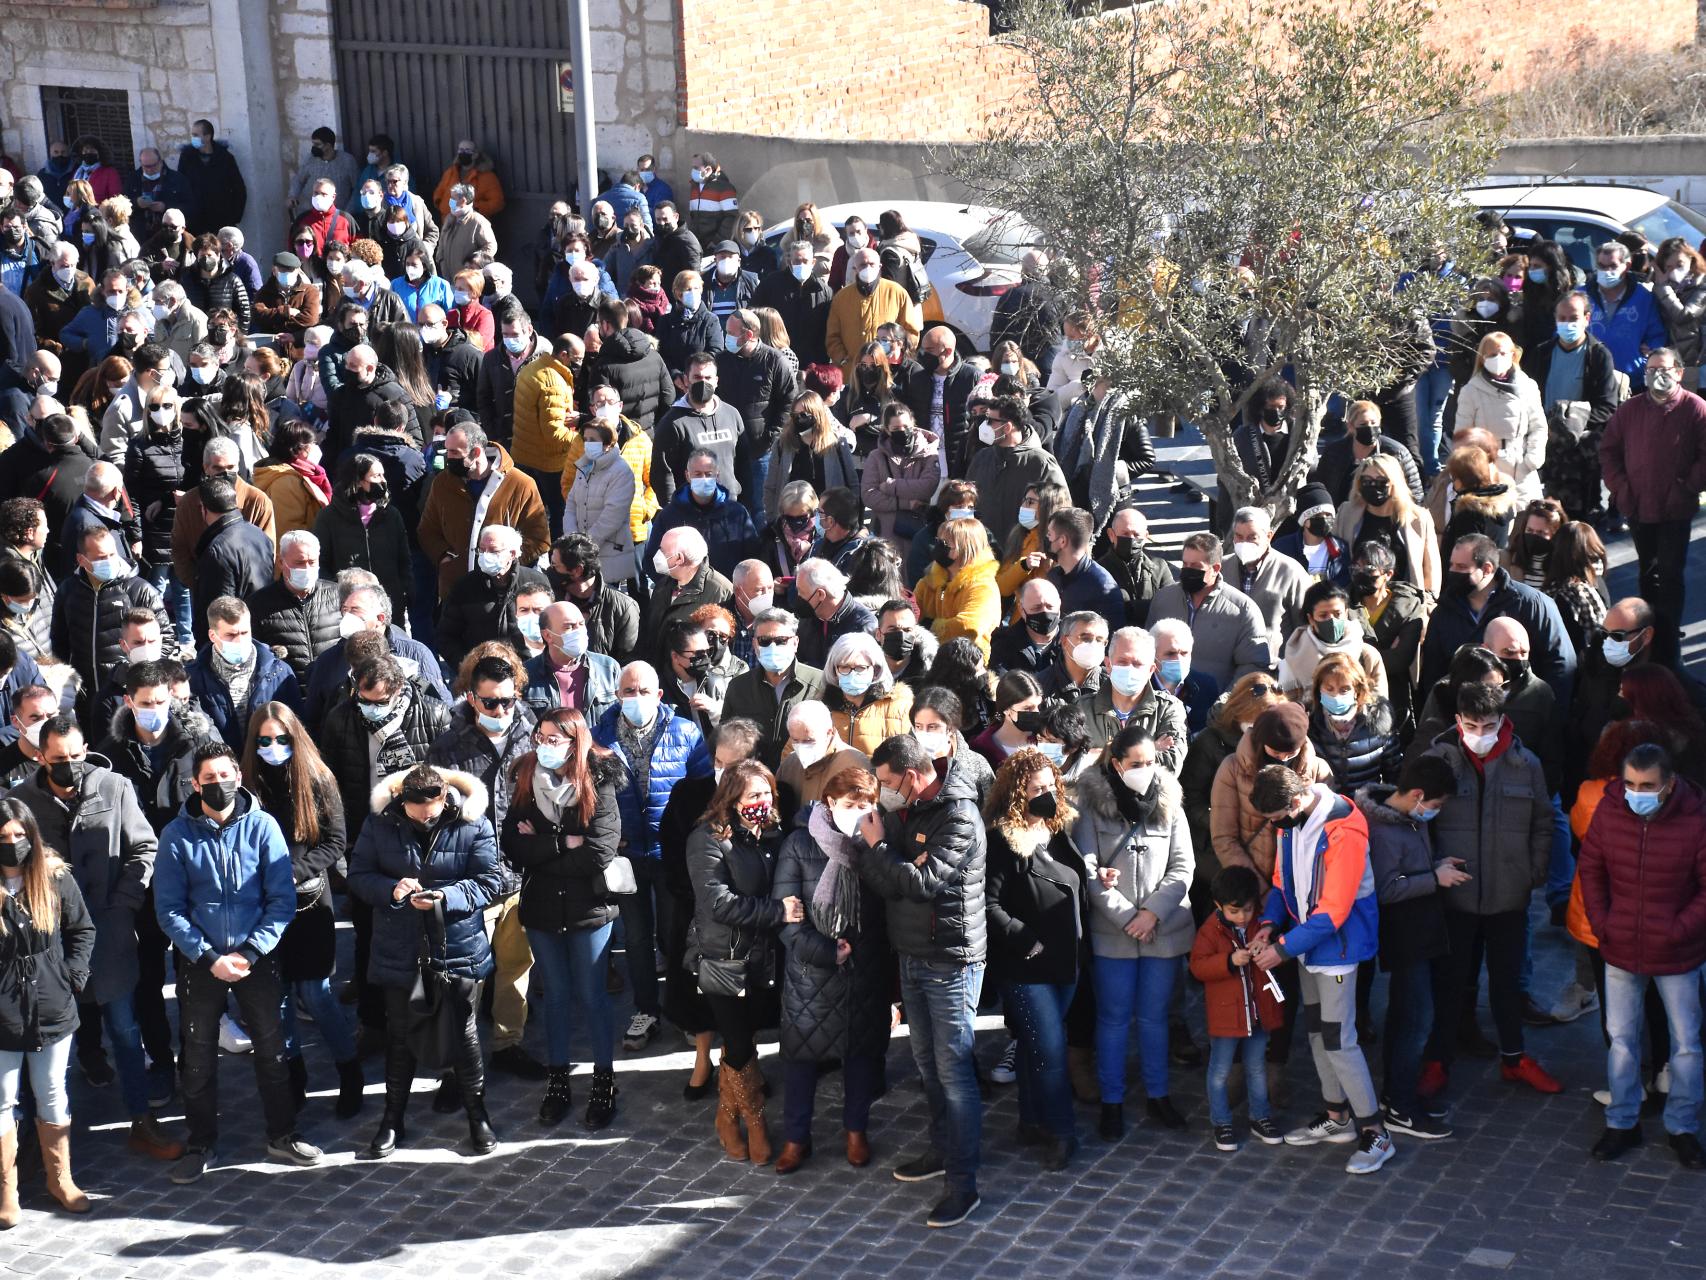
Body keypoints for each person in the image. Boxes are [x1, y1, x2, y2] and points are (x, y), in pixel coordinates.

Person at [152, 740, 317, 1183]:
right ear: (195, 784)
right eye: (209, 779)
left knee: (273, 1049)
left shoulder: (263, 827)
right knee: (198, 1056)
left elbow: (280, 900)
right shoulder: (176, 835)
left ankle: (282, 1134)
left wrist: (247, 953)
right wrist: (208, 958)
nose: (219, 784)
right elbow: (169, 909)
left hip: (256, 959)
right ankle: (200, 1141)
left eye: (225, 776)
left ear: (238, 777)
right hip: (200, 962)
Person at [854, 732, 986, 1230]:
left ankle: (963, 1182)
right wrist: (889, 857)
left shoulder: (957, 815)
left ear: (911, 775)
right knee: (928, 1065)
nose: (883, 794)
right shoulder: (905, 814)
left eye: (888, 783)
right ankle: (941, 1149)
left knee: (954, 1072)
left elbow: (921, 884)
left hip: (951, 959)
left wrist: (882, 848)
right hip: (911, 954)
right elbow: (888, 881)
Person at [348, 762, 506, 1159]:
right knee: (399, 1035)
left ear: (443, 800)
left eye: (432, 812)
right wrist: (394, 890)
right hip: (400, 947)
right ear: (402, 802)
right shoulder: (380, 823)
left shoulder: (472, 823)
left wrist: (444, 898)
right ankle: (392, 1119)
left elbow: (490, 881)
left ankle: (477, 1115)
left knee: (464, 1034)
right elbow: (359, 875)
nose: (425, 819)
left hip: (457, 946)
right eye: (416, 813)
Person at [1244, 765, 1393, 1174]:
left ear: (1294, 802)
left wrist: (1282, 949)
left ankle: (1375, 1131)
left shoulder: (1343, 828)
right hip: (1309, 946)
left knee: (1339, 1040)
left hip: (1336, 949)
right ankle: (1337, 1116)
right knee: (1316, 1033)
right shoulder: (1290, 821)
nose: (1273, 826)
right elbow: (1280, 883)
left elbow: (1334, 912)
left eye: (1275, 818)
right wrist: (1271, 924)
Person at [1419, 681, 1562, 1102]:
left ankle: (1514, 1058)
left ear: (1503, 721)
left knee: (1507, 983)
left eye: (1489, 725)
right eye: (1471, 724)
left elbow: (1542, 820)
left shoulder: (1526, 764)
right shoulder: (1438, 759)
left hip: (1508, 896)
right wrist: (1432, 869)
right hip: (1456, 897)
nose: (1480, 733)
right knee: (1450, 983)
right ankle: (1438, 1060)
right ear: (1458, 720)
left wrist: (1533, 872)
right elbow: (1420, 821)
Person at [1576, 741, 1706, 1168]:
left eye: (1646, 785)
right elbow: (1591, 868)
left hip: (1677, 953)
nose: (1636, 792)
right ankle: (1622, 1122)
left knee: (1686, 1044)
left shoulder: (1696, 820)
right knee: (1622, 1042)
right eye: (1630, 783)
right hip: (1621, 948)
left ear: (1668, 785)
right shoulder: (1611, 811)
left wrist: (1677, 930)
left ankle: (1682, 1127)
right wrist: (1604, 923)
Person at [238, 702, 362, 1119]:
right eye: (265, 741)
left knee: (315, 992)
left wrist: (291, 873)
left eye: (282, 739)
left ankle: (349, 1070)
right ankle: (294, 1077)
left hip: (308, 900)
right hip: (264, 907)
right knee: (279, 999)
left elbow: (334, 841)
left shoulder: (318, 778)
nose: (274, 747)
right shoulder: (249, 785)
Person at [503, 707, 623, 1130]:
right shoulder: (525, 777)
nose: (545, 746)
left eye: (555, 739)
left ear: (576, 741)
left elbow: (598, 853)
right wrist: (562, 844)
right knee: (554, 996)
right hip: (541, 908)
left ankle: (604, 1080)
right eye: (541, 737)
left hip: (589, 908)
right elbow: (513, 847)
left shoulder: (601, 780)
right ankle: (558, 1079)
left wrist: (544, 846)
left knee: (592, 996)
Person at [1074, 725, 1194, 1140]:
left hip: (1163, 930)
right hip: (1114, 933)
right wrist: (1128, 917)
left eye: (1150, 763)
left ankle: (1159, 1095)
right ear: (1116, 764)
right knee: (1112, 1019)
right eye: (1135, 764)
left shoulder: (1170, 802)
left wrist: (1153, 914)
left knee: (1155, 1018)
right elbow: (1086, 872)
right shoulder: (1090, 806)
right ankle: (1112, 1101)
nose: (1145, 770)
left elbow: (1183, 868)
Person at [594, 661, 711, 1050]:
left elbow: (701, 792)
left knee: (676, 933)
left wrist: (689, 841)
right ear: (617, 695)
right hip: (626, 856)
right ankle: (645, 1009)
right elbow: (590, 795)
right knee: (638, 938)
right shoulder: (600, 736)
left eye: (645, 691)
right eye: (629, 691)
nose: (637, 698)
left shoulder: (685, 731)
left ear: (660, 695)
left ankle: (683, 1008)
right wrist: (609, 839)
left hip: (671, 853)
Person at [983, 747, 1088, 1170]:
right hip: (1029, 965)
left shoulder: (1058, 831)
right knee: (1050, 1049)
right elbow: (989, 905)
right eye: (1036, 789)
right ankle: (1061, 1131)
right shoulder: (1002, 842)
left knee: (1033, 1046)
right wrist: (1026, 940)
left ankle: (1031, 1120)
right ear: (1016, 793)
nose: (1046, 794)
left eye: (1050, 786)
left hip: (1067, 960)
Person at [0, 797, 97, 1224]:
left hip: (51, 1004)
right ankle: (8, 1189)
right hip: (2, 1013)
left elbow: (82, 930)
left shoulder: (54, 878)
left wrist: (72, 978)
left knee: (52, 1091)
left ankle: (61, 1178)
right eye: (3, 837)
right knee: (2, 1100)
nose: (13, 843)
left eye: (19, 835)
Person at [684, 756, 783, 1164]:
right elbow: (718, 902)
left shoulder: (773, 833)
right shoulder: (707, 838)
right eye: (752, 795)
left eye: (766, 793)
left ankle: (726, 1117)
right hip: (724, 956)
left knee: (746, 1041)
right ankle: (754, 1122)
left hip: (765, 957)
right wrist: (777, 912)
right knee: (738, 1040)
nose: (761, 801)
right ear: (732, 798)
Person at [1357, 753, 1461, 1140]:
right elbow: (1386, 889)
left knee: (1409, 1016)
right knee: (1414, 1020)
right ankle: (1400, 1104)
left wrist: (1436, 864)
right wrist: (1434, 877)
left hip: (1420, 931)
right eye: (1434, 805)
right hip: (1405, 936)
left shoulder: (1407, 818)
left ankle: (1396, 1097)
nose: (1434, 812)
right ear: (1417, 794)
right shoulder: (1385, 830)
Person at [1599, 345, 1706, 653]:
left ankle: (1669, 635)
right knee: (1647, 570)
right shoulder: (1629, 410)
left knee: (1671, 573)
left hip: (1676, 507)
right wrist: (1621, 489)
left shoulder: (1695, 408)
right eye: (1652, 370)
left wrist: (1687, 486)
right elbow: (1609, 451)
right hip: (1638, 505)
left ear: (1679, 373)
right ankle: (1647, 632)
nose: (1658, 376)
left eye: (1665, 370)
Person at [1189, 865, 1284, 1152]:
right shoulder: (1210, 930)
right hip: (1226, 1015)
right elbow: (1197, 966)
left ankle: (1260, 1115)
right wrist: (1229, 961)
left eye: (1248, 910)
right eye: (1234, 911)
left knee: (1257, 1067)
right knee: (1220, 1070)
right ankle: (1221, 1121)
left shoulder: (1260, 926)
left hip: (1256, 1011)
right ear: (1219, 906)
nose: (1242, 917)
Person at [1419, 533, 1577, 703]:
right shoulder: (1444, 612)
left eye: (1462, 567)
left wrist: (1547, 715)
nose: (1453, 571)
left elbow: (1561, 664)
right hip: (1466, 721)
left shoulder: (1531, 604)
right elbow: (1432, 674)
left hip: (1524, 714)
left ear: (1487, 569)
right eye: (1452, 565)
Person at [418, 420, 550, 601]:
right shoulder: (442, 483)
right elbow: (427, 530)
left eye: (454, 452)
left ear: (477, 452)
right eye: (447, 450)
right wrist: (445, 558)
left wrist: (505, 563)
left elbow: (539, 539)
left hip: (502, 594)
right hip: (455, 591)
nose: (448, 457)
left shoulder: (521, 484)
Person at [1146, 533, 1271, 687]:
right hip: (1164, 702)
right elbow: (1147, 649)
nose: (1187, 570)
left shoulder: (1242, 610)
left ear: (1216, 568)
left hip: (1216, 704)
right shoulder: (1164, 599)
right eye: (1185, 564)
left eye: (1196, 566)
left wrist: (1225, 703)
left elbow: (1252, 666)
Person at [186, 595, 301, 750]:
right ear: (213, 636)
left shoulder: (279, 671)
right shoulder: (193, 679)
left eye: (245, 633)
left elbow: (298, 726)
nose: (239, 641)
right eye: (231, 635)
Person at [1449, 331, 1548, 502]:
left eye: (1503, 353)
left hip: (1521, 467)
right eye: (1492, 354)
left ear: (1512, 355)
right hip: (1486, 470)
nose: (1498, 358)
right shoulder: (1470, 391)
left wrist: (1532, 458)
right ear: (1483, 358)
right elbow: (1462, 437)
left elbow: (1538, 426)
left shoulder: (1528, 386)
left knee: (1524, 519)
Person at [642, 447, 758, 581]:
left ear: (717, 475)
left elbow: (753, 557)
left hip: (729, 593)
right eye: (697, 474)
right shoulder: (669, 516)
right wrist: (673, 588)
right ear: (687, 476)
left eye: (708, 474)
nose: (703, 479)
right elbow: (652, 561)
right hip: (685, 595)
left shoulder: (737, 514)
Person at [1083, 626, 1187, 767]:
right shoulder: (1083, 708)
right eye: (1123, 662)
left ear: (1151, 670)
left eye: (1137, 664)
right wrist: (1150, 749)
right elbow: (1074, 763)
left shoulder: (1168, 708)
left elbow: (1171, 764)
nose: (1129, 669)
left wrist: (1102, 755)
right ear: (1108, 664)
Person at [1277, 580, 1388, 700]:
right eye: (1323, 615)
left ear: (1346, 613)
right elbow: (1287, 708)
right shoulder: (1294, 658)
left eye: (1337, 614)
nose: (1332, 621)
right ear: (1311, 619)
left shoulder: (1367, 656)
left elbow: (1380, 705)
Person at [1306, 652, 1401, 793]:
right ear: (1319, 690)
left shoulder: (1378, 723)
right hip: (1327, 808)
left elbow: (1394, 774)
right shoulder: (1309, 725)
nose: (1336, 696)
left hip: (1367, 806)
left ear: (1357, 691)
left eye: (1344, 690)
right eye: (1329, 689)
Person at [824, 248, 920, 383]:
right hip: (852, 374)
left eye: (872, 264)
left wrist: (894, 354)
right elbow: (832, 336)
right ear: (855, 268)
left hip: (886, 373)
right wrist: (843, 359)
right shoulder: (841, 297)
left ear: (880, 267)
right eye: (863, 265)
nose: (867, 268)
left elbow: (911, 332)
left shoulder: (897, 293)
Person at [1225, 506, 1309, 658]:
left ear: (1269, 536)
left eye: (1252, 537)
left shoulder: (1291, 572)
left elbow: (1304, 626)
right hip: (1226, 660)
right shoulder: (1221, 568)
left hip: (1272, 664)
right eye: (1239, 536)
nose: (1244, 543)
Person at [914, 515, 1001, 659]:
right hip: (932, 657)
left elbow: (969, 626)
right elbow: (912, 609)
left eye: (945, 543)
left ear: (965, 549)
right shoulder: (931, 579)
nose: (938, 546)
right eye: (938, 541)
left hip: (968, 660)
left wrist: (931, 627)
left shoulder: (983, 586)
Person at [1099, 506, 1175, 628]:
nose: (1131, 539)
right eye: (1125, 533)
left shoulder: (1159, 567)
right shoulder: (1100, 570)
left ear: (1145, 537)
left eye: (1136, 534)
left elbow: (1171, 604)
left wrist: (1130, 608)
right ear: (1111, 535)